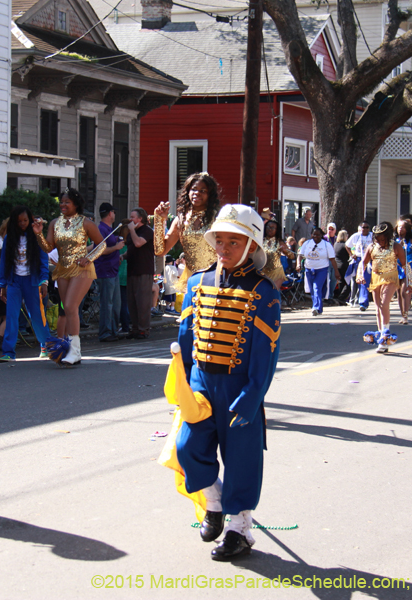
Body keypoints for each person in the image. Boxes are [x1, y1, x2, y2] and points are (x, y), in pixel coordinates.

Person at [174, 204, 280, 561]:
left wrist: (253, 395)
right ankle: (214, 504)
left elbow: (266, 354)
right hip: (201, 384)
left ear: (252, 245)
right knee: (189, 447)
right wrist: (183, 387)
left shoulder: (264, 291)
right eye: (220, 240)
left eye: (234, 242)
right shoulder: (196, 282)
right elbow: (185, 339)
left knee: (242, 459)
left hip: (240, 387)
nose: (224, 248)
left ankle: (240, 528)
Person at [32, 190, 103, 365]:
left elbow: (101, 244)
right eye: (61, 202)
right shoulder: (55, 223)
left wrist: (89, 258)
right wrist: (38, 233)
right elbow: (48, 248)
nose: (63, 205)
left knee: (71, 306)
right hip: (62, 270)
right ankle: (73, 351)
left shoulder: (86, 223)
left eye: (67, 202)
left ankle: (74, 350)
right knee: (68, 309)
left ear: (76, 204)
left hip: (82, 269)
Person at [0, 206, 51, 362]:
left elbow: (43, 260)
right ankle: (8, 352)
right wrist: (3, 285)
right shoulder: (9, 238)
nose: (22, 223)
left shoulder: (36, 237)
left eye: (25, 220)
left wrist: (44, 281)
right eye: (19, 221)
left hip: (32, 281)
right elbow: (3, 262)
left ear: (30, 220)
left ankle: (45, 346)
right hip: (14, 281)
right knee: (11, 316)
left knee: (37, 315)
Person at [154, 172, 221, 292]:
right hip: (191, 279)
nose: (197, 193)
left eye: (203, 190)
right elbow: (160, 251)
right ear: (188, 192)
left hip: (215, 277)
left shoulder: (218, 218)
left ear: (210, 195)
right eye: (194, 189)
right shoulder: (180, 219)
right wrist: (159, 221)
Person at [357, 222, 405, 353]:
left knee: (384, 304)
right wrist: (360, 275)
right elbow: (364, 262)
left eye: (382, 239)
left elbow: (406, 266)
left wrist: (409, 284)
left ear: (388, 237)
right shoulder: (372, 247)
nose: (379, 241)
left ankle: (385, 332)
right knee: (378, 307)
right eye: (377, 239)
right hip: (375, 277)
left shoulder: (396, 247)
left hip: (391, 277)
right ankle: (381, 337)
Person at [94, 202, 125, 342]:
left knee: (115, 303)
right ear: (109, 213)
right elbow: (100, 250)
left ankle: (112, 331)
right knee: (107, 303)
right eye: (113, 212)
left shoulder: (107, 229)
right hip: (105, 272)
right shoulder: (101, 229)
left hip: (113, 270)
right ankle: (105, 332)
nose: (114, 214)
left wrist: (116, 255)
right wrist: (116, 247)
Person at [124, 207, 154, 340]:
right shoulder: (132, 233)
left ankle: (143, 329)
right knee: (132, 301)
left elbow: (138, 243)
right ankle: (135, 328)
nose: (130, 220)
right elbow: (130, 249)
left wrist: (131, 230)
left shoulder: (147, 231)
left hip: (143, 270)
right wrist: (122, 257)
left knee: (142, 302)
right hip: (132, 270)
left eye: (132, 217)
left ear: (140, 219)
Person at [298, 227, 335, 316]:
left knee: (316, 287)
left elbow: (332, 259)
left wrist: (336, 272)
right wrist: (298, 264)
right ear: (311, 235)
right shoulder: (307, 243)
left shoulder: (326, 245)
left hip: (322, 269)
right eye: (314, 234)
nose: (316, 236)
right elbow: (300, 255)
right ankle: (319, 308)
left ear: (321, 235)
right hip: (309, 269)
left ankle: (315, 307)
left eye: (318, 234)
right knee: (312, 290)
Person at [345, 222, 373, 310]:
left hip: (369, 260)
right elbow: (347, 245)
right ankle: (361, 302)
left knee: (366, 280)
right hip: (359, 259)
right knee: (360, 280)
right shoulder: (356, 236)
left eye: (366, 227)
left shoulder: (372, 236)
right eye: (363, 227)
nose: (364, 229)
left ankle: (363, 302)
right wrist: (351, 254)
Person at [395, 219, 412, 324]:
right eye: (399, 227)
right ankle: (402, 314)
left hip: (407, 267)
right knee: (399, 293)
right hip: (397, 267)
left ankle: (405, 316)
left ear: (407, 229)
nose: (400, 229)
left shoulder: (411, 241)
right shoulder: (394, 241)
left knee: (404, 291)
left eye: (403, 227)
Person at [260, 219, 293, 289]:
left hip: (276, 272)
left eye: (272, 228)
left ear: (276, 230)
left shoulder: (279, 242)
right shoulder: (261, 240)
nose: (270, 229)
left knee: (273, 292)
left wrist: (285, 251)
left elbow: (292, 256)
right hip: (263, 271)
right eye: (268, 227)